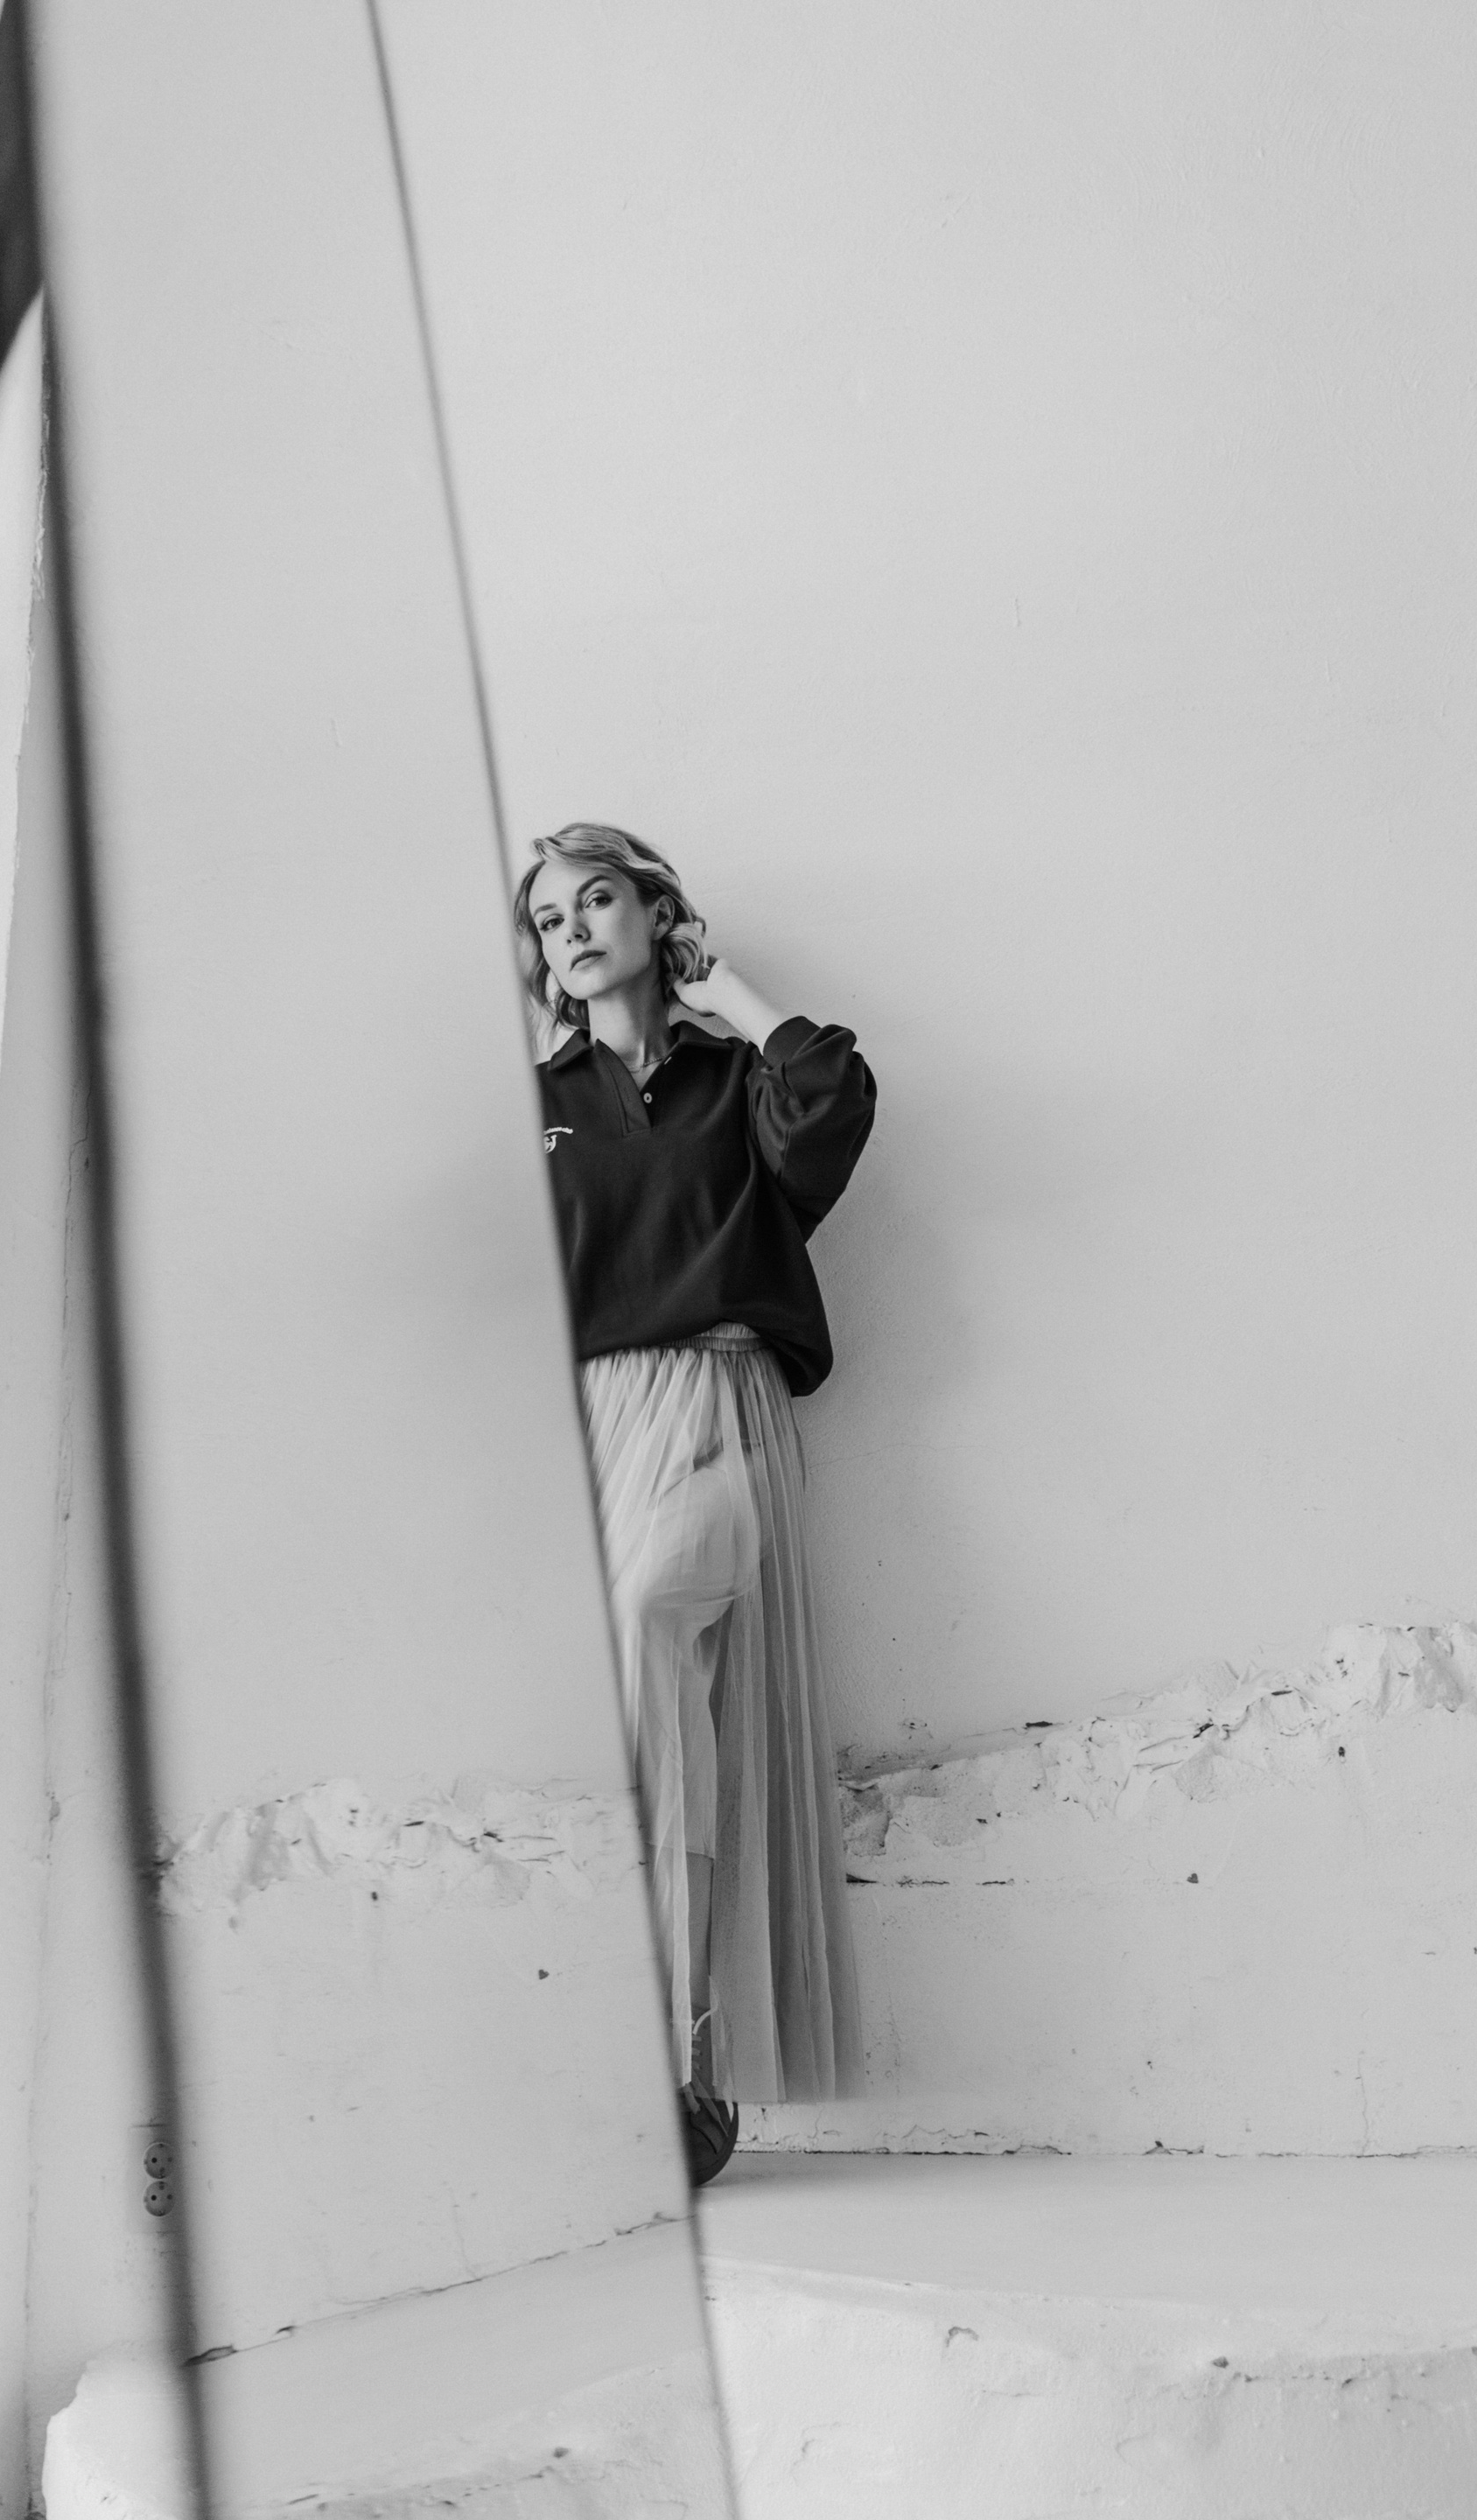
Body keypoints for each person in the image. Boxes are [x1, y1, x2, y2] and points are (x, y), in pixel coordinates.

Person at [514, 822, 875, 2183]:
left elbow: (832, 1104)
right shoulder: (539, 1106)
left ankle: (675, 2051)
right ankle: (683, 2063)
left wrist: (730, 994)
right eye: (550, 920)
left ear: (655, 913)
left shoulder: (739, 1079)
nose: (573, 930)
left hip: (724, 1403)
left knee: (647, 1626)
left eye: (597, 899)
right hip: (599, 1423)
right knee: (640, 1723)